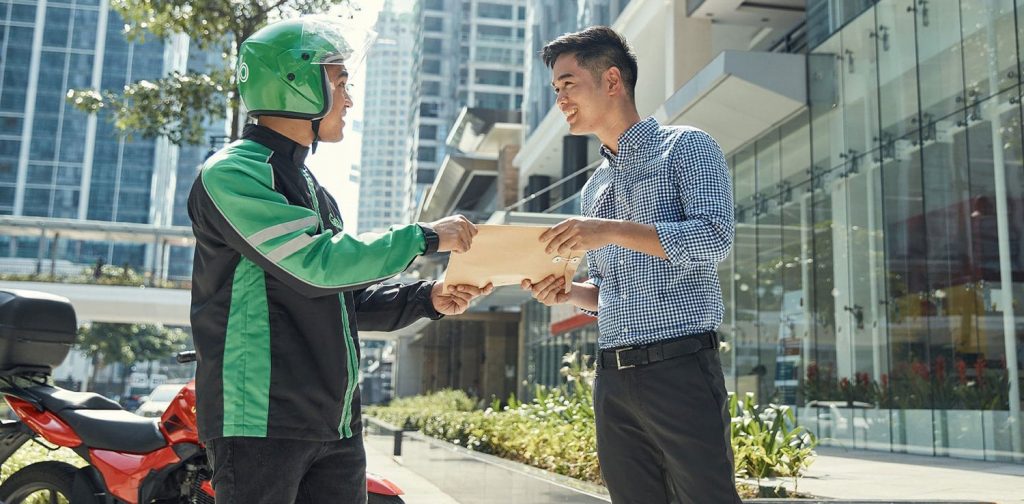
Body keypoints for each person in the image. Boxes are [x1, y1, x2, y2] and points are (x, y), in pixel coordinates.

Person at [187, 17, 491, 503]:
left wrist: (427, 298)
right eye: (340, 81)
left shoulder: (314, 190)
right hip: (261, 419)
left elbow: (342, 298)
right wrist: (425, 237)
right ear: (296, 83)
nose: (349, 99)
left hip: (334, 421)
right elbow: (317, 265)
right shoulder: (233, 174)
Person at [522, 26, 740, 503]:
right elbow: (608, 290)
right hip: (612, 378)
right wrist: (569, 293)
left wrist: (609, 230)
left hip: (680, 367)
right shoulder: (594, 188)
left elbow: (714, 237)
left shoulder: (685, 147)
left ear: (612, 80)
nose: (560, 100)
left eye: (568, 84)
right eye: (555, 89)